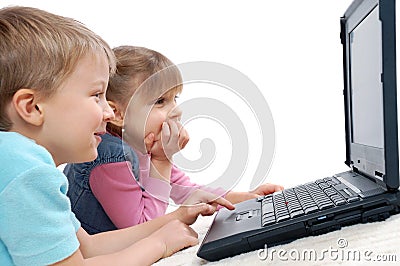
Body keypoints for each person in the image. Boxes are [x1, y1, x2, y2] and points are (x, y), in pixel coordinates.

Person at [0, 7, 234, 265]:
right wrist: (159, 243)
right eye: (96, 95)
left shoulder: (24, 165)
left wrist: (177, 217)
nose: (109, 111)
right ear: (32, 107)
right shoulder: (27, 173)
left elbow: (87, 246)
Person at [64, 45, 284, 233]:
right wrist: (162, 161)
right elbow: (145, 227)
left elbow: (184, 189)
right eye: (160, 101)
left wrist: (247, 198)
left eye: (174, 98)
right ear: (119, 114)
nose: (176, 111)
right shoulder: (108, 156)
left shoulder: (144, 145)